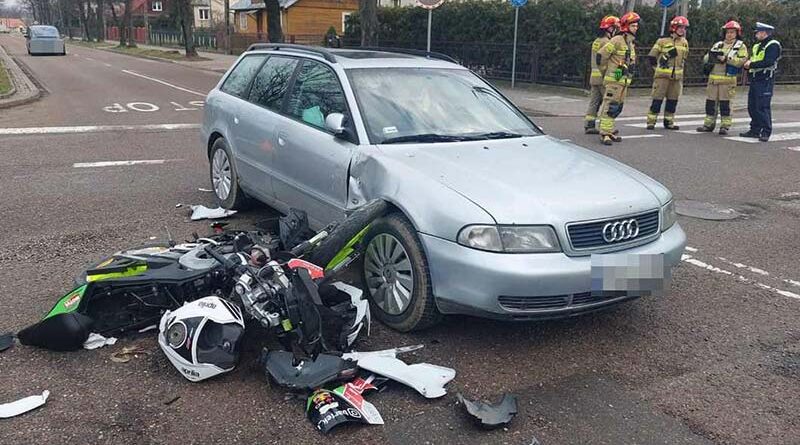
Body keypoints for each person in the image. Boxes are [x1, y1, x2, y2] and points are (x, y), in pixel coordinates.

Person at [696, 20, 748, 135]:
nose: (729, 34)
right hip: (713, 80)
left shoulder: (740, 46)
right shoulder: (718, 44)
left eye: (732, 32)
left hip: (727, 81)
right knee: (710, 104)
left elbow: (742, 61)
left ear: (737, 33)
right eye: (727, 32)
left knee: (726, 105)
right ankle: (708, 125)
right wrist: (710, 58)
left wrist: (726, 59)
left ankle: (725, 126)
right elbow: (706, 58)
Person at [597, 11, 640, 146]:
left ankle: (609, 130)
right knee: (610, 106)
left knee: (617, 107)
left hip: (623, 81)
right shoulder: (617, 40)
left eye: (637, 25)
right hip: (614, 80)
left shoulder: (630, 43)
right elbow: (601, 56)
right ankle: (604, 133)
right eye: (634, 25)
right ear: (626, 26)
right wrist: (606, 72)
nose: (636, 28)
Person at [645, 16, 689, 130]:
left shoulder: (684, 42)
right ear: (673, 28)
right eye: (680, 27)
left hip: (676, 78)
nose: (682, 30)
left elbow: (684, 59)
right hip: (662, 78)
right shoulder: (662, 41)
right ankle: (651, 122)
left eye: (684, 28)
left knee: (672, 101)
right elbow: (651, 56)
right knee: (657, 100)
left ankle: (669, 122)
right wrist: (658, 69)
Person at [741, 22, 782, 142]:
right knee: (752, 106)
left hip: (765, 79)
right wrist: (748, 66)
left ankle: (765, 131)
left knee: (762, 106)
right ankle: (755, 129)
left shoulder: (773, 45)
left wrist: (751, 64)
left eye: (758, 32)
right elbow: (755, 59)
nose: (756, 34)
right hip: (755, 78)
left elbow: (768, 62)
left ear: (764, 32)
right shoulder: (757, 45)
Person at [585, 15, 619, 135]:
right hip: (603, 77)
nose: (615, 31)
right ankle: (606, 128)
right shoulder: (607, 42)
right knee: (608, 102)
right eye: (614, 28)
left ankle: (589, 125)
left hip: (594, 77)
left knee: (594, 102)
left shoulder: (596, 41)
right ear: (610, 28)